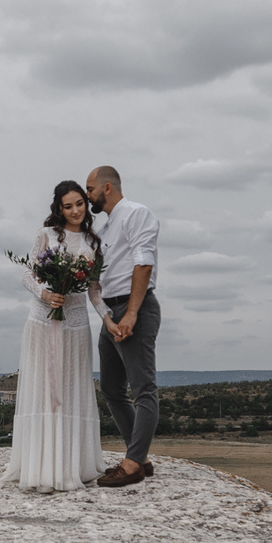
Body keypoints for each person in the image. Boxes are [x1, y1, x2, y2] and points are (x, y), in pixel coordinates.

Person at [2, 179, 107, 492]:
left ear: (86, 206)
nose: (75, 210)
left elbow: (94, 291)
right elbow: (27, 275)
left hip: (76, 327)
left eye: (79, 204)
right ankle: (42, 467)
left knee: (72, 391)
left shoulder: (93, 241)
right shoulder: (46, 235)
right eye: (68, 206)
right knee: (45, 390)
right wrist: (46, 294)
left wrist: (110, 321)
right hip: (43, 322)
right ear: (58, 209)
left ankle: (73, 465)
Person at [86, 165, 159, 487]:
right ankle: (139, 456)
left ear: (107, 188)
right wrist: (107, 317)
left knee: (143, 388)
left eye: (90, 189)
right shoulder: (103, 231)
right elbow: (95, 283)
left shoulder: (136, 213)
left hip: (135, 307)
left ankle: (132, 466)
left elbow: (144, 262)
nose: (88, 195)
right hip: (110, 312)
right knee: (113, 389)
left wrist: (131, 314)